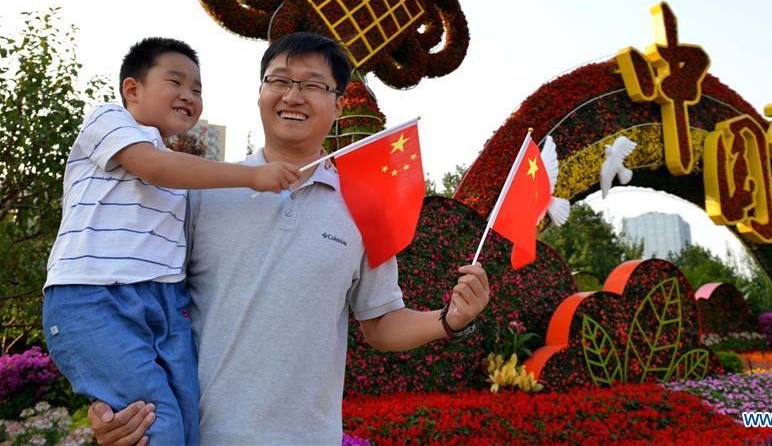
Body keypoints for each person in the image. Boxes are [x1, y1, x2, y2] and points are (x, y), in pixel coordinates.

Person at [88, 32, 491, 445]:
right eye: (279, 81)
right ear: (260, 93)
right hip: (201, 435)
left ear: (338, 105)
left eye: (313, 85)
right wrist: (112, 397)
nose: (293, 96)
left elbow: (381, 323)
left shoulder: (365, 207)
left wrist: (449, 320)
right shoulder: (202, 193)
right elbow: (136, 299)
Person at [43, 38, 303, 445]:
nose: (189, 96)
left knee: (189, 418)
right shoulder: (110, 120)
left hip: (166, 301)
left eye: (197, 90)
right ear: (132, 89)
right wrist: (252, 176)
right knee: (155, 422)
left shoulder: (181, 177)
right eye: (176, 82)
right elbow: (154, 166)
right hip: (94, 296)